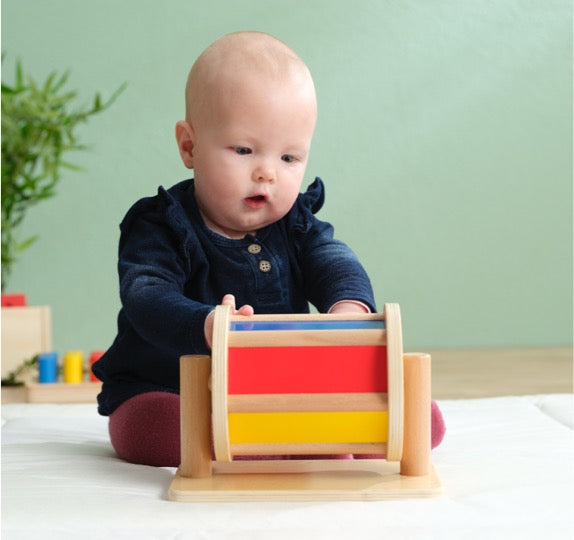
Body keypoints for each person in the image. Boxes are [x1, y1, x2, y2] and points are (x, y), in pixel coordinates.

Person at [92, 31, 445, 467]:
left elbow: (332, 259)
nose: (267, 174)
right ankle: (275, 440)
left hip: (279, 389)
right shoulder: (161, 225)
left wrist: (350, 306)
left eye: (290, 158)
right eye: (244, 150)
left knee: (421, 418)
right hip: (172, 387)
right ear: (189, 145)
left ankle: (292, 432)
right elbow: (146, 296)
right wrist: (205, 325)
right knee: (151, 427)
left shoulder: (295, 223)